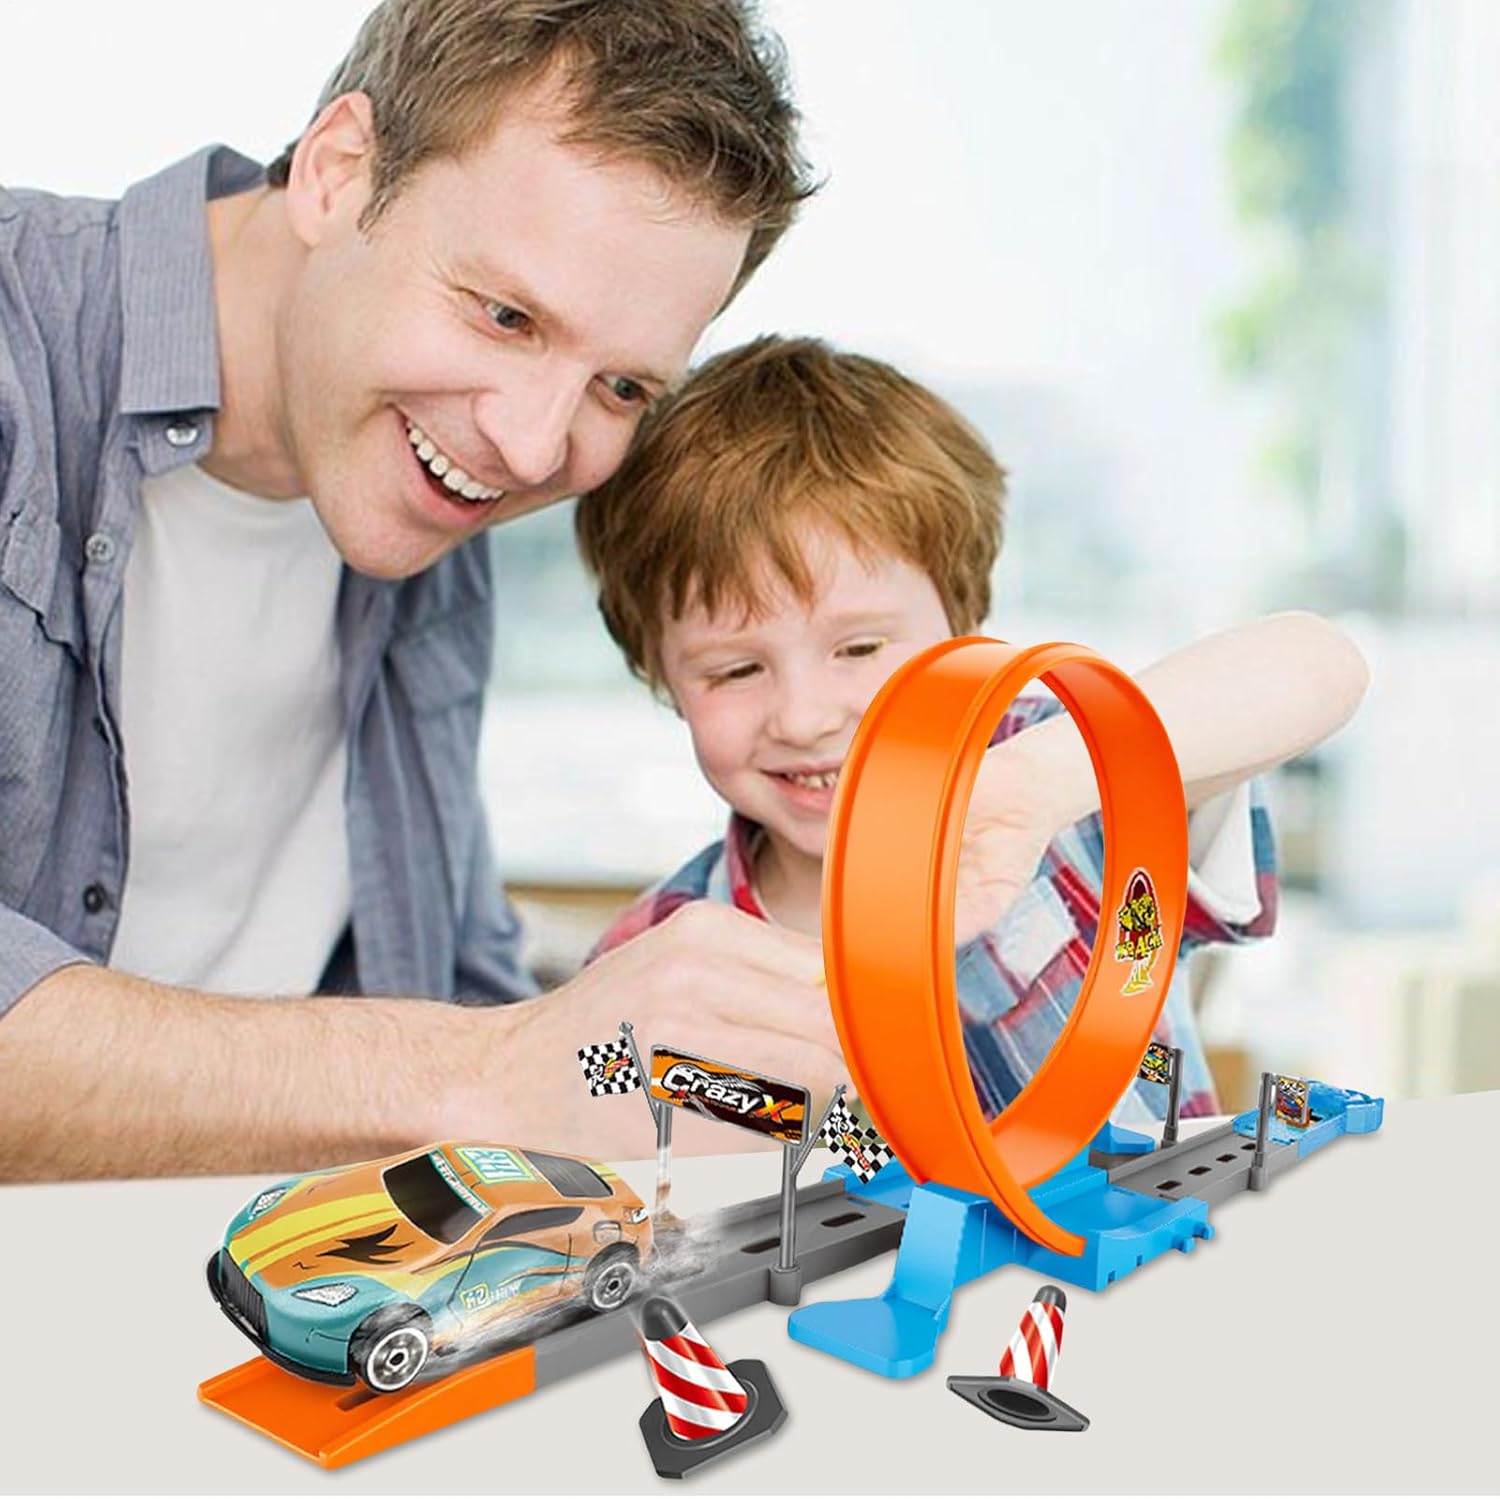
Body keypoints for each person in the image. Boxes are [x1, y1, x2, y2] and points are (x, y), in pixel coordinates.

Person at [0, 0, 843, 1178]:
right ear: (339, 171)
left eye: (621, 388)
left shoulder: (430, 493)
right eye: (506, 315)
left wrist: (780, 1107)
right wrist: (486, 1069)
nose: (535, 446)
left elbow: (464, 988)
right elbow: (480, 1060)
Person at [575, 335, 1370, 1124]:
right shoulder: (651, 961)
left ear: (960, 628)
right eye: (735, 670)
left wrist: (1045, 782)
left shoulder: (1073, 793)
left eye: (859, 648)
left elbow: (1321, 665)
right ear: (662, 674)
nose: (804, 716)